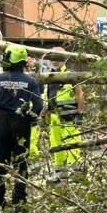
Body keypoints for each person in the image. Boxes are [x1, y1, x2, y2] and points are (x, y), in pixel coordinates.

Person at [0, 44, 42, 210]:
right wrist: (30, 116)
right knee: (21, 161)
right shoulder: (31, 81)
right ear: (23, 61)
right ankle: (19, 201)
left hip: (1, 123)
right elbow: (38, 105)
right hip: (21, 123)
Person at [45, 47, 83, 179]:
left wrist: (79, 113)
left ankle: (77, 171)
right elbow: (47, 96)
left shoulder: (70, 74)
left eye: (58, 58)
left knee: (73, 142)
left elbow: (79, 94)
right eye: (52, 59)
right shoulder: (48, 76)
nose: (54, 61)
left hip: (69, 114)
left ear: (64, 59)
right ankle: (60, 171)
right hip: (54, 115)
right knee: (56, 143)